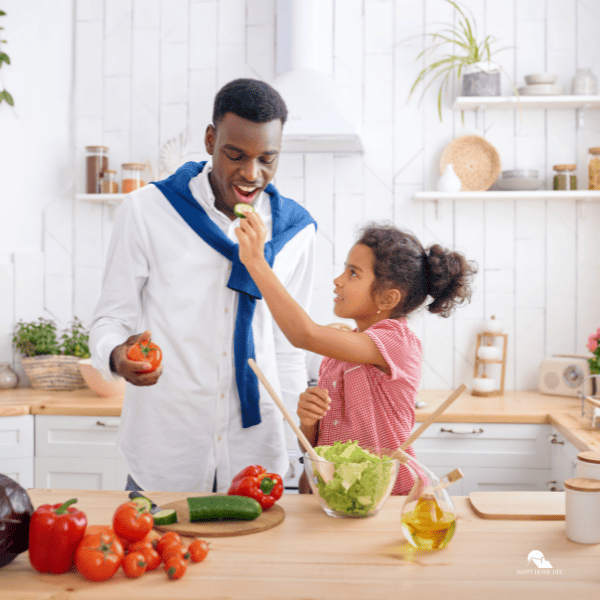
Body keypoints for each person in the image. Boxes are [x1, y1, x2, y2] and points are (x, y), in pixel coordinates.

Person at [89, 78, 317, 493]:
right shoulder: (148, 211)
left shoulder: (295, 232)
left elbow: (288, 350)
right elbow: (110, 318)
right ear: (210, 140)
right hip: (164, 454)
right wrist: (117, 356)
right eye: (236, 155)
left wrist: (304, 450)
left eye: (268, 158)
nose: (252, 174)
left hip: (258, 460)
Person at [235, 216, 477, 494]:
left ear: (387, 299)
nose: (338, 280)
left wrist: (256, 262)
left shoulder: (397, 341)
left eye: (353, 273)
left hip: (388, 498)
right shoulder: (336, 357)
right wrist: (309, 421)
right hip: (335, 496)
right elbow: (314, 449)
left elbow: (305, 334)